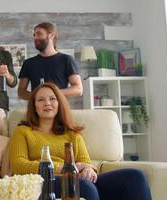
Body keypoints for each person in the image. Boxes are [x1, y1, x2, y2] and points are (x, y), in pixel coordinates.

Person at [10, 82, 152, 200]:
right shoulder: (23, 131)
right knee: (83, 187)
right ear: (34, 106)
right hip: (44, 182)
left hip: (78, 179)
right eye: (41, 100)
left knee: (135, 177)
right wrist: (66, 169)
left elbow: (86, 163)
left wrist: (89, 170)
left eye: (52, 99)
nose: (47, 103)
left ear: (59, 103)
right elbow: (19, 165)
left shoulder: (72, 133)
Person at [18, 22, 83, 100]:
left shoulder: (67, 60)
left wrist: (51, 93)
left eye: (39, 34)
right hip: (36, 110)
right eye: (34, 35)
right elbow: (21, 92)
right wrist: (39, 97)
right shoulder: (28, 63)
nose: (35, 38)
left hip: (60, 109)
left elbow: (78, 89)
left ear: (51, 35)